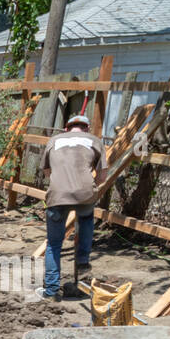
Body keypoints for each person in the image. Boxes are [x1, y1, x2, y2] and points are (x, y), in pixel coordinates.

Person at [39, 114, 106, 301]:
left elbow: (46, 172)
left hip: (57, 194)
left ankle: (51, 291)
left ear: (67, 128)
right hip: (84, 193)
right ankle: (83, 260)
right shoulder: (95, 140)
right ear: (86, 128)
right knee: (85, 219)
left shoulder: (54, 140)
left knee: (53, 244)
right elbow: (102, 177)